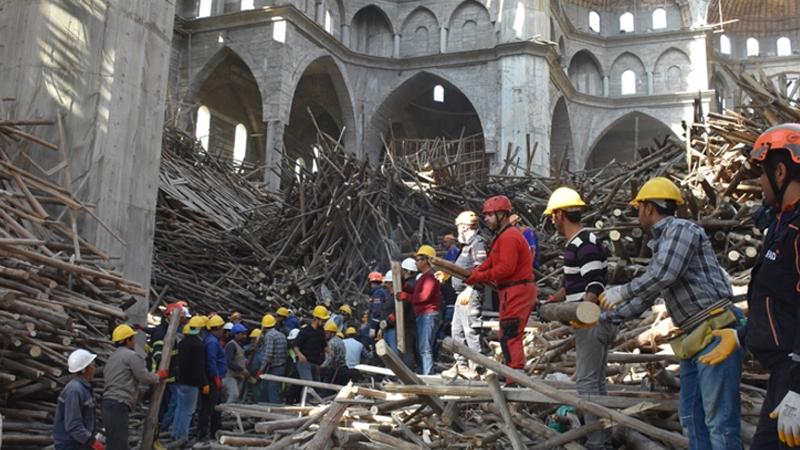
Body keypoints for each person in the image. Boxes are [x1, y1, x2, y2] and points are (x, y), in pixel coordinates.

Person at [599, 177, 744, 450]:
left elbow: (664, 274)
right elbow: (648, 293)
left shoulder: (681, 229)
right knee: (692, 418)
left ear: (649, 208)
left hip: (716, 332)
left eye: (638, 208)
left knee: (719, 422)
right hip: (694, 337)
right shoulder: (664, 243)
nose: (637, 214)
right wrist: (605, 317)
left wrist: (622, 291)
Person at [700, 124, 800, 449]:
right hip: (784, 376)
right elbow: (782, 303)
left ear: (780, 171)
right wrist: (743, 335)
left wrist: (798, 389)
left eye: (761, 173)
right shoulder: (782, 224)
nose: (759, 183)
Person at [544, 187, 614, 450]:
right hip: (592, 319)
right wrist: (557, 299)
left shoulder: (583, 242)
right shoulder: (579, 243)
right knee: (596, 382)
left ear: (560, 214)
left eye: (553, 215)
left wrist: (583, 315)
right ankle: (604, 436)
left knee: (587, 383)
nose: (552, 220)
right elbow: (578, 282)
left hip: (592, 321)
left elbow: (594, 283)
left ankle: (597, 442)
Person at [465, 195, 536, 379]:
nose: (486, 219)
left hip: (517, 290)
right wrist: (477, 272)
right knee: (507, 332)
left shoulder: (509, 237)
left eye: (489, 215)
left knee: (511, 332)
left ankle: (516, 377)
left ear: (502, 214)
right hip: (511, 290)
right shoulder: (502, 237)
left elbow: (505, 268)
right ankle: (513, 373)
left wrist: (479, 276)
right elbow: (491, 261)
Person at [102, 324, 165, 450]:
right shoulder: (131, 356)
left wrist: (139, 392)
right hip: (119, 403)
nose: (134, 341)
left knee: (113, 440)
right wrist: (158, 375)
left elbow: (120, 380)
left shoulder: (112, 357)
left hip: (108, 402)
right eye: (132, 338)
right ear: (127, 340)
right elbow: (144, 377)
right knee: (119, 443)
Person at [442, 210, 487, 380]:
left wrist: (470, 288)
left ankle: (479, 368)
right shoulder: (467, 245)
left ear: (464, 227)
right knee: (457, 330)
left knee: (471, 331)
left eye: (459, 228)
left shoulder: (478, 244)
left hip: (471, 294)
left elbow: (480, 269)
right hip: (461, 295)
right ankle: (461, 365)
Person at [398, 245, 441, 375]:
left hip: (428, 314)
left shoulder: (430, 277)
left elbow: (423, 297)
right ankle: (424, 372)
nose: (416, 262)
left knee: (425, 348)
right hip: (423, 315)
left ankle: (427, 375)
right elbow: (418, 292)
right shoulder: (423, 277)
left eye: (418, 259)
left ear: (425, 260)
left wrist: (407, 296)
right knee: (422, 346)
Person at [54, 349, 103, 450]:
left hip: (79, 442)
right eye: (93, 365)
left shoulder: (83, 387)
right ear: (86, 369)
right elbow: (73, 425)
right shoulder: (75, 390)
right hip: (71, 445)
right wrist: (91, 442)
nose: (94, 368)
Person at [171, 316, 208, 443]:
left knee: (180, 408)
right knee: (188, 411)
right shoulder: (198, 345)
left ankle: (175, 434)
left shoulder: (183, 342)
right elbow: (199, 366)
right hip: (191, 383)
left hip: (180, 380)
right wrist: (204, 383)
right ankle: (182, 438)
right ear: (200, 329)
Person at [197, 315, 227, 440]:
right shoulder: (212, 342)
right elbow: (211, 361)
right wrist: (216, 378)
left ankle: (213, 430)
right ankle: (207, 432)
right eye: (222, 329)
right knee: (211, 407)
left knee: (211, 406)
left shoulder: (210, 340)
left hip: (213, 378)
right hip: (213, 379)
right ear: (218, 328)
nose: (223, 331)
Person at [256, 314, 288, 404]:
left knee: (272, 393)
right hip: (281, 366)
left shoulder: (269, 336)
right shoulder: (281, 335)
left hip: (273, 368)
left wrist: (261, 369)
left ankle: (273, 414)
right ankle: (264, 411)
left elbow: (268, 354)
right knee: (268, 391)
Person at [293, 305, 329, 382]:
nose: (324, 323)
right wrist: (300, 355)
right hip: (305, 362)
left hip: (315, 363)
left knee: (316, 386)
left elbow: (324, 345)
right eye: (323, 321)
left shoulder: (321, 331)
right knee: (309, 384)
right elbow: (295, 345)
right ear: (316, 319)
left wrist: (330, 351)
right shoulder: (305, 331)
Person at [223, 323, 248, 403]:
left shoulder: (240, 345)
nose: (244, 336)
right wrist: (241, 370)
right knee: (234, 395)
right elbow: (228, 361)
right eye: (242, 334)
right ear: (236, 334)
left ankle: (231, 414)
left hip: (237, 376)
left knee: (238, 398)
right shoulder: (231, 345)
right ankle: (225, 413)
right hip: (230, 376)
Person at [321, 320, 348, 385]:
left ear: (332, 333)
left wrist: (321, 367)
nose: (325, 334)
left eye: (327, 333)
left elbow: (329, 359)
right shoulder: (340, 341)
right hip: (343, 369)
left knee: (325, 390)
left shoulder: (331, 343)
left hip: (333, 370)